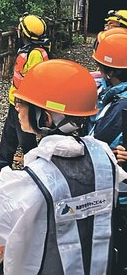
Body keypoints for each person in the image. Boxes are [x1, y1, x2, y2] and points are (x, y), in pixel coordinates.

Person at [0, 59, 126, 274]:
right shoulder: (104, 156)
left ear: (45, 118)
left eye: (22, 102)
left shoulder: (34, 181)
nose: (16, 107)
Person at [88, 30, 127, 271]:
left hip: (119, 197)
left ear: (110, 72)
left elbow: (98, 139)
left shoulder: (121, 105)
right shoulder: (112, 96)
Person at [0, 14, 48, 171]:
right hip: (16, 101)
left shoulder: (35, 53)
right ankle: (2, 164)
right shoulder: (28, 50)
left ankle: (34, 168)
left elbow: (35, 80)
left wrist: (25, 101)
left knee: (25, 138)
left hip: (24, 103)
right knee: (9, 134)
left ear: (24, 33)